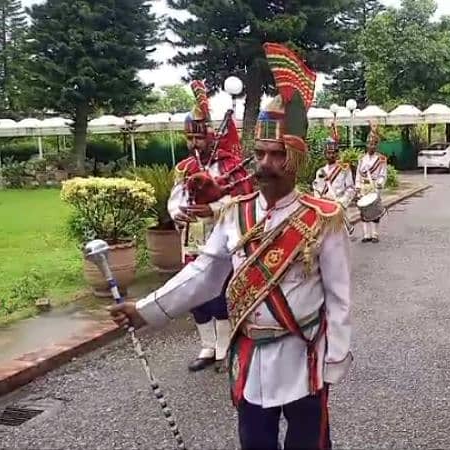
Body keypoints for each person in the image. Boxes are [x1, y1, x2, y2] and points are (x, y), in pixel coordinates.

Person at [109, 42, 352, 450]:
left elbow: (340, 297)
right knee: (254, 442)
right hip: (252, 356)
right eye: (259, 153)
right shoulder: (234, 214)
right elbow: (204, 274)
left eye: (276, 155)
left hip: (304, 353)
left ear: (295, 159)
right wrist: (144, 310)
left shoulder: (322, 217)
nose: (265, 164)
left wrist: (335, 358)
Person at [170, 79, 253, 372]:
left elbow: (243, 199)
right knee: (195, 295)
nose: (195, 145)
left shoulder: (228, 165)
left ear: (208, 135)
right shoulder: (185, 168)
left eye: (199, 138)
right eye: (190, 140)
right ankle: (206, 346)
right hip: (192, 241)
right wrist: (178, 213)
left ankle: (224, 346)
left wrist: (213, 208)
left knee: (219, 295)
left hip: (221, 239)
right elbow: (175, 199)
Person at [355, 122, 388, 243]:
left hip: (374, 186)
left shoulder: (381, 159)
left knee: (374, 211)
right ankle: (366, 234)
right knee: (364, 210)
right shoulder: (361, 159)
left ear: (376, 145)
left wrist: (379, 183)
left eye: (373, 144)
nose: (371, 146)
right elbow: (358, 174)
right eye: (369, 144)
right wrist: (357, 186)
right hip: (364, 186)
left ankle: (375, 234)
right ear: (366, 145)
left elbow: (383, 174)